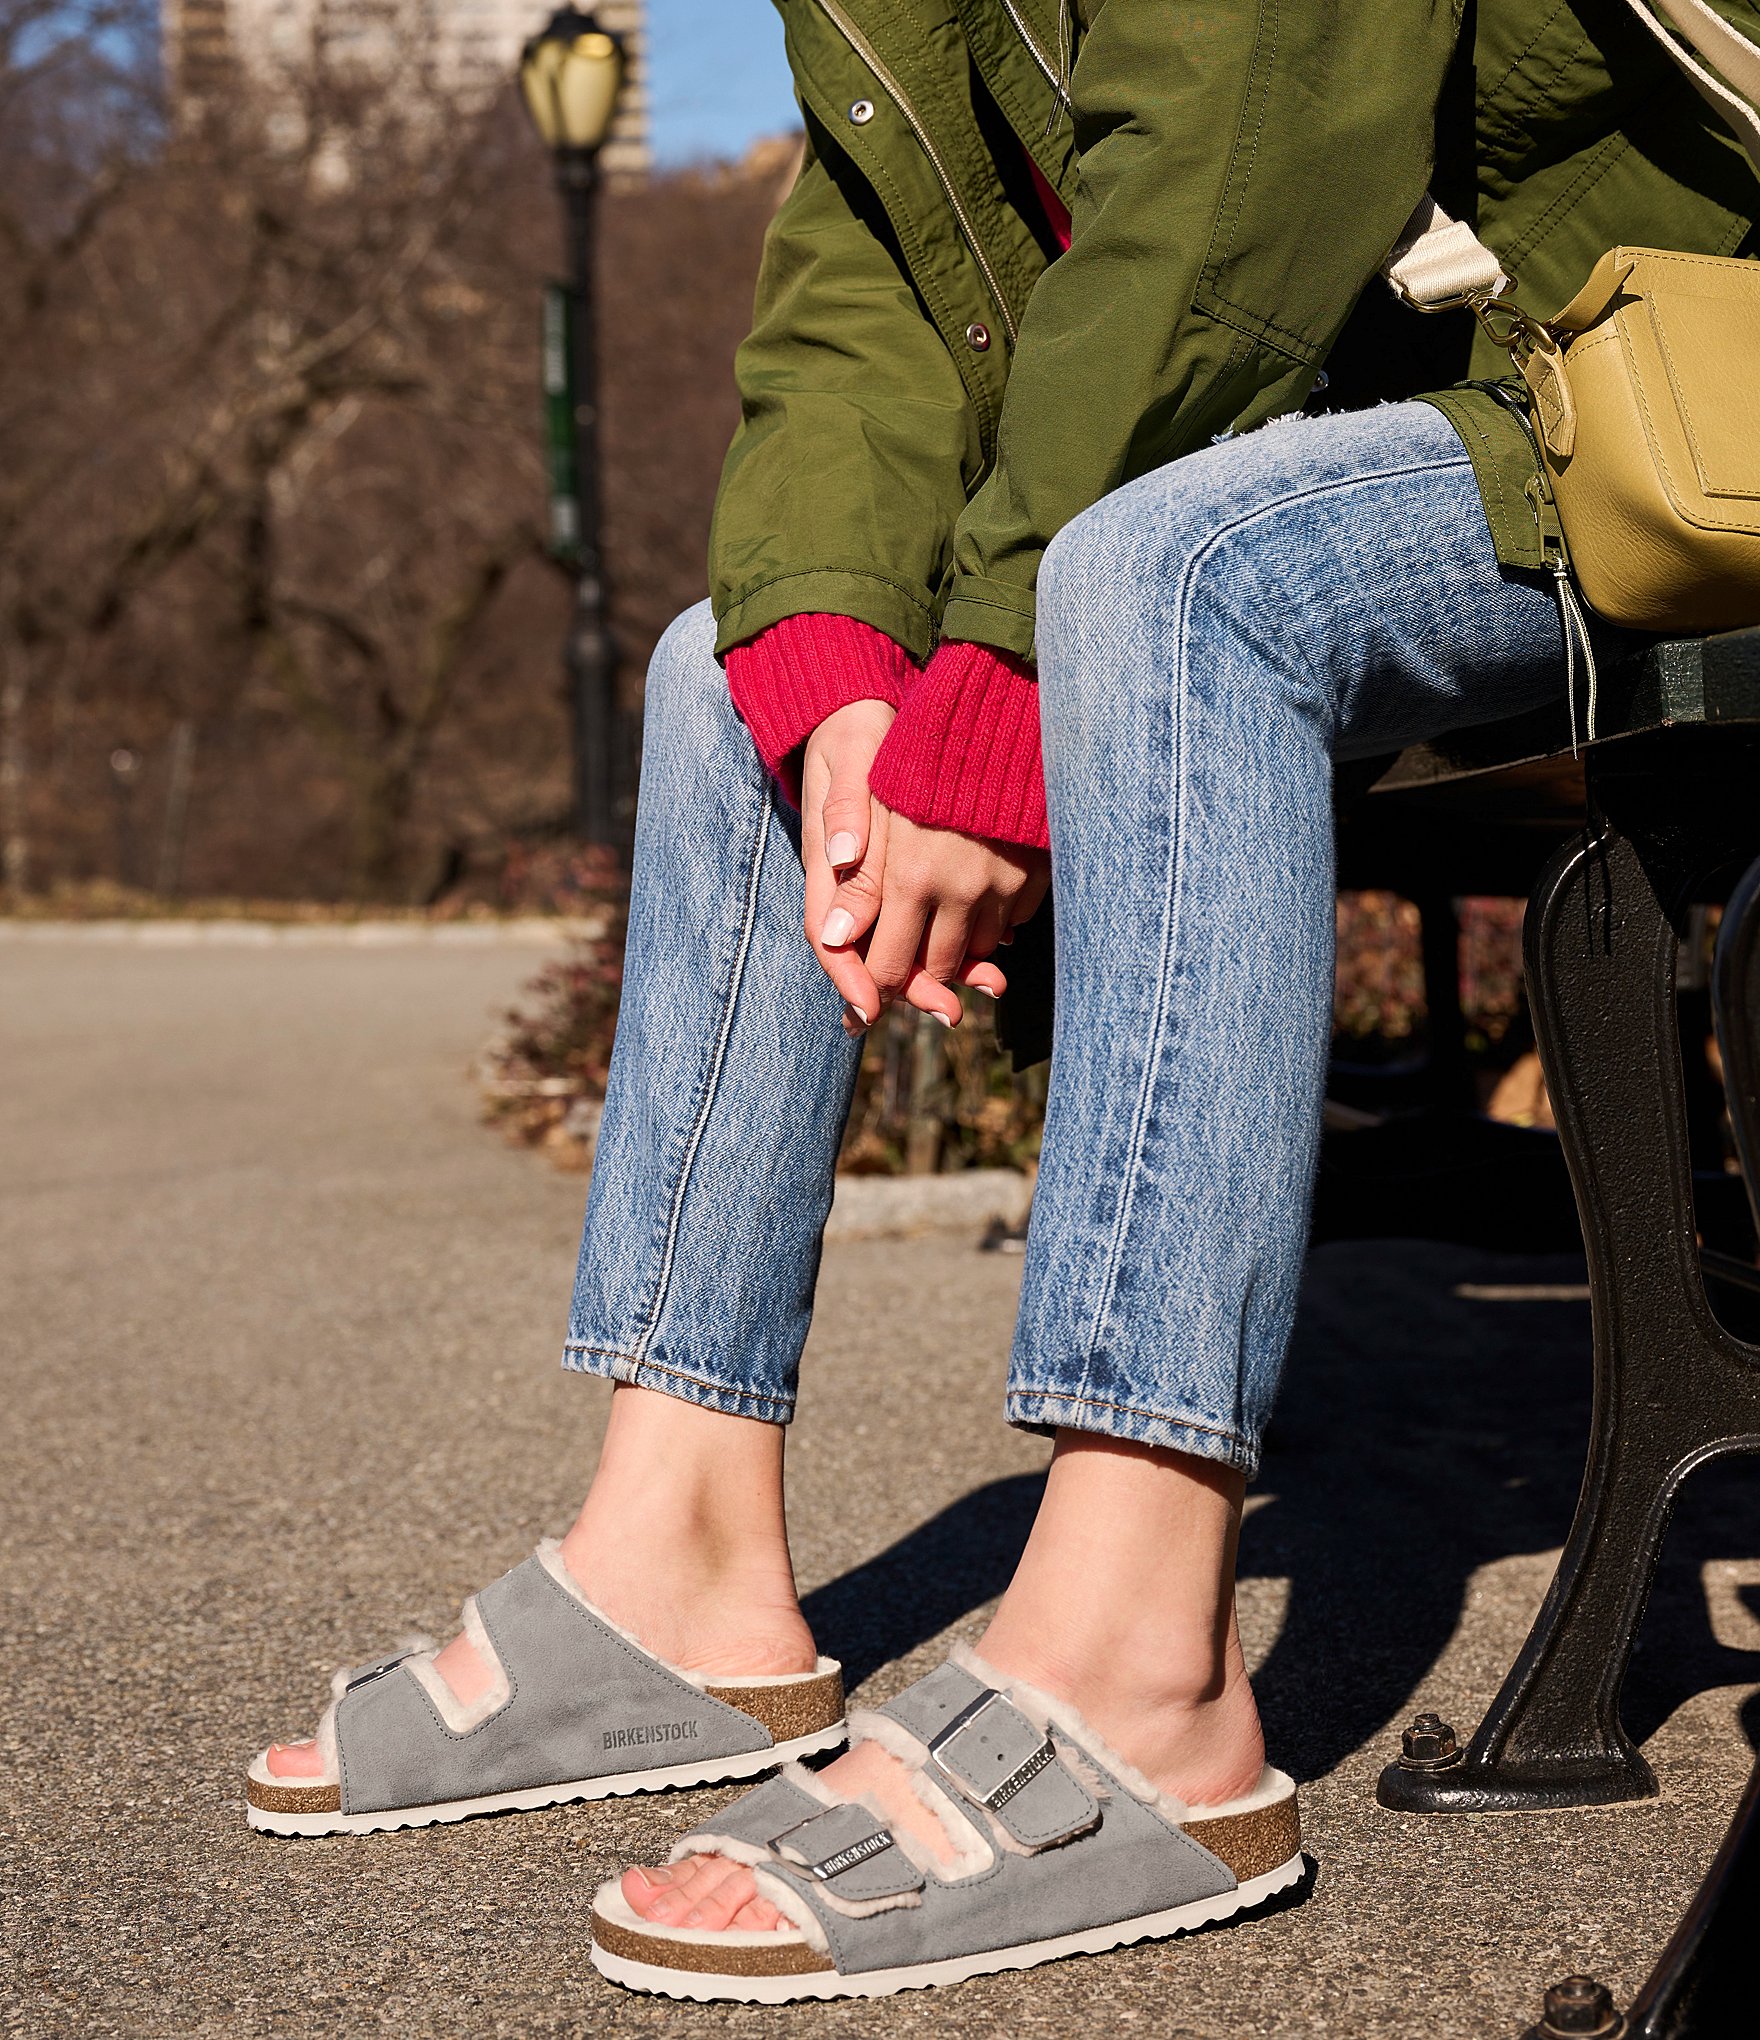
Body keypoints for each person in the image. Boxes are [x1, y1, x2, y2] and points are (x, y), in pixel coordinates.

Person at [245, 0, 1757, 2003]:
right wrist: (851, 668)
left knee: (1166, 576)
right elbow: (871, 267)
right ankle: (669, 1567)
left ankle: (1142, 1664)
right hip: (1378, 406)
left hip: (1670, 366)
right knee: (737, 665)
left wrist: (1003, 684)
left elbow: (1245, 161)